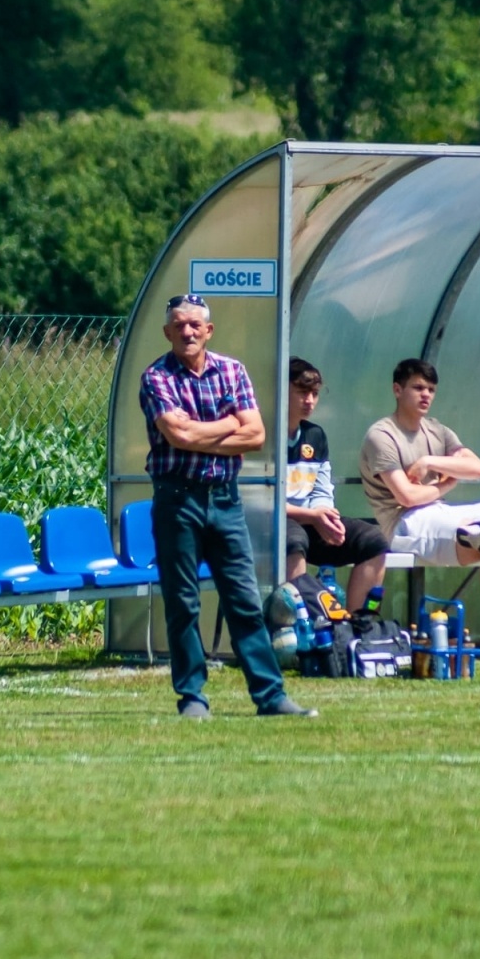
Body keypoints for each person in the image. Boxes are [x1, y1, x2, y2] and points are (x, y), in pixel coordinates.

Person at [139, 293, 315, 719]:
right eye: (179, 325)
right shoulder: (156, 377)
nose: (187, 331)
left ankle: (270, 696)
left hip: (225, 500)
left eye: (195, 324)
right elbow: (178, 437)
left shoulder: (231, 370)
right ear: (167, 332)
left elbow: (255, 435)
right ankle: (193, 697)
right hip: (177, 501)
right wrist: (227, 425)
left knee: (243, 598)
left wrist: (200, 430)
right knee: (184, 603)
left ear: (209, 330)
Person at [359, 358, 480, 663]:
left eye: (431, 389)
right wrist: (446, 484)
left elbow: (476, 468)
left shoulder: (437, 430)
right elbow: (407, 496)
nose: (426, 395)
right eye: (418, 387)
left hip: (443, 514)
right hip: (406, 525)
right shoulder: (382, 435)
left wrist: (431, 463)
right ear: (397, 390)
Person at [284, 358, 389, 613]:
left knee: (373, 540)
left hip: (311, 520)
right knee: (294, 537)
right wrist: (312, 516)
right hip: (272, 526)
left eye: (315, 394)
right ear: (281, 389)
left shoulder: (315, 435)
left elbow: (321, 488)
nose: (310, 400)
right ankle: (299, 628)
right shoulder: (264, 434)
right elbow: (261, 500)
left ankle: (355, 627)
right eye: (302, 392)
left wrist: (327, 516)